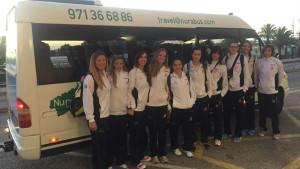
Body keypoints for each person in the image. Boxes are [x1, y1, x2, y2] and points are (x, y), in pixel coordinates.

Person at [82, 50, 113, 169]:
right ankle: (100, 166)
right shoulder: (90, 78)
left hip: (106, 116)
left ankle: (105, 164)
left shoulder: (105, 75)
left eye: (104, 60)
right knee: (99, 147)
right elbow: (87, 100)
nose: (102, 62)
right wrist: (91, 119)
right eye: (99, 60)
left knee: (105, 144)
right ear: (94, 62)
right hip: (97, 117)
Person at [183, 46, 211, 149]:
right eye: (195, 54)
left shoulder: (204, 66)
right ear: (192, 55)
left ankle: (204, 140)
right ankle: (193, 140)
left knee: (205, 120)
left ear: (201, 55)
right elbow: (185, 82)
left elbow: (209, 81)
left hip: (203, 96)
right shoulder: (187, 66)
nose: (197, 56)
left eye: (199, 54)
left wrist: (209, 95)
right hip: (192, 98)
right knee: (192, 121)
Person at [168, 57, 196, 158]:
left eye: (179, 64)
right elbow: (167, 93)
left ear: (182, 65)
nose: (177, 66)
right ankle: (175, 147)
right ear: (172, 66)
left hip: (187, 107)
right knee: (174, 129)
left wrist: (192, 101)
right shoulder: (170, 78)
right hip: (176, 108)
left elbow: (192, 90)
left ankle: (187, 148)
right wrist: (169, 106)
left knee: (187, 130)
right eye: (175, 65)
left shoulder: (187, 76)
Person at [127, 51, 151, 169]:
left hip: (144, 108)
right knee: (135, 136)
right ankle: (134, 160)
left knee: (142, 134)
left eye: (145, 57)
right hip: (136, 110)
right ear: (136, 59)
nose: (143, 59)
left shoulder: (146, 72)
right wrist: (130, 107)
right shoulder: (133, 72)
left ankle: (140, 154)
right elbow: (129, 91)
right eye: (141, 57)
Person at [254, 44, 284, 140]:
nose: (267, 52)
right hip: (262, 91)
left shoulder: (277, 62)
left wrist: (276, 87)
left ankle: (276, 131)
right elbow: (256, 76)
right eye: (265, 50)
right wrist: (257, 86)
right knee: (262, 112)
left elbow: (280, 77)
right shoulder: (259, 62)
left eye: (269, 50)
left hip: (273, 92)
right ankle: (263, 129)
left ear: (272, 51)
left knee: (274, 113)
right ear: (263, 51)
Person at [222, 42, 249, 143]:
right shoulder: (225, 59)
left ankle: (238, 133)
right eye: (231, 46)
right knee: (226, 113)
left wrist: (244, 89)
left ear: (238, 48)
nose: (233, 48)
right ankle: (227, 131)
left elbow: (246, 74)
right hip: (227, 91)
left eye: (235, 47)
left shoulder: (242, 58)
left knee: (240, 113)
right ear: (229, 48)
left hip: (238, 90)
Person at [147, 48, 170, 164]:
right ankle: (154, 154)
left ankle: (162, 154)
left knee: (162, 131)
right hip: (151, 104)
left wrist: (169, 95)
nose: (162, 57)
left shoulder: (167, 69)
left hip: (162, 104)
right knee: (152, 131)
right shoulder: (149, 68)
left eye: (164, 56)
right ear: (156, 56)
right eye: (160, 55)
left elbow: (167, 86)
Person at [108, 56, 129, 169]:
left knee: (122, 139)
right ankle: (110, 161)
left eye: (121, 63)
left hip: (123, 112)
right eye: (116, 63)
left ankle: (121, 161)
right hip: (112, 112)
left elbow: (129, 93)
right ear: (113, 64)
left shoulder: (127, 75)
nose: (119, 65)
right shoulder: (108, 76)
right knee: (112, 139)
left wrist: (129, 107)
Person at [207, 46, 228, 146]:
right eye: (214, 53)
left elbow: (225, 83)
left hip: (216, 95)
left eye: (218, 53)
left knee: (217, 117)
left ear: (220, 55)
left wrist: (222, 94)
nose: (215, 55)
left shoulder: (222, 67)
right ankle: (209, 134)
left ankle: (217, 137)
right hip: (206, 95)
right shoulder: (206, 65)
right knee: (206, 116)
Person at [241, 40, 256, 136]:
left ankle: (251, 127)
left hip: (250, 86)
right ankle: (244, 127)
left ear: (250, 48)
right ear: (241, 47)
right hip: (241, 87)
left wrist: (256, 84)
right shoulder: (239, 57)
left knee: (250, 108)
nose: (246, 48)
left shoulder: (253, 58)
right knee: (242, 108)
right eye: (244, 46)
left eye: (248, 46)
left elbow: (256, 72)